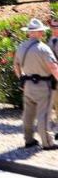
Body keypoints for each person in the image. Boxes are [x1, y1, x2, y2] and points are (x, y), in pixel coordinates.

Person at [13, 18, 58, 149]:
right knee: (44, 114)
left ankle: (29, 140)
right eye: (42, 31)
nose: (43, 33)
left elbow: (16, 65)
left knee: (28, 114)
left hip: (27, 84)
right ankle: (47, 143)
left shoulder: (21, 47)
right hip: (44, 85)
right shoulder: (43, 48)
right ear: (38, 32)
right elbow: (53, 67)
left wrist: (21, 78)